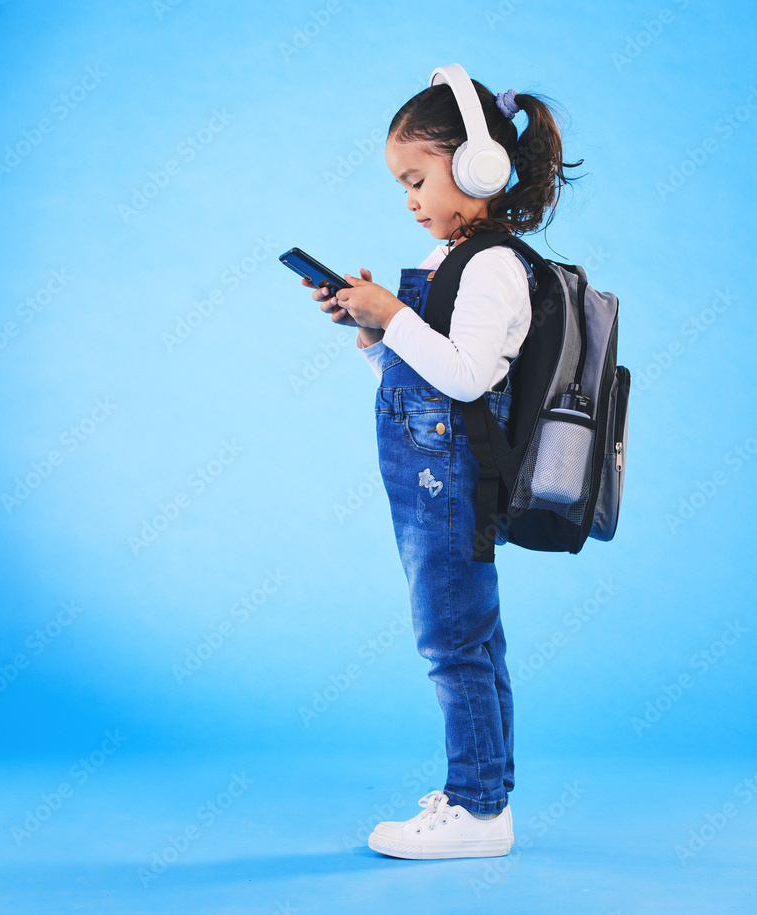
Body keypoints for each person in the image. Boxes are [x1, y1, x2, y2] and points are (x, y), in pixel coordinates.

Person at [300, 64, 581, 860]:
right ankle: (484, 787)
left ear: (476, 168)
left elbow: (467, 376)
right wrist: (371, 333)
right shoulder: (462, 258)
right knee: (472, 638)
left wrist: (393, 314)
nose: (411, 199)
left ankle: (477, 809)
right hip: (432, 478)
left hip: (452, 483)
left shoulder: (493, 264)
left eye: (417, 178)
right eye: (402, 186)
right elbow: (423, 382)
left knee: (452, 640)